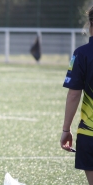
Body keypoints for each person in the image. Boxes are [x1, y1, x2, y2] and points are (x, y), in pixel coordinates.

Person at [60, 6, 93, 185]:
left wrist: (66, 130)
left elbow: (74, 94)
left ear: (90, 24)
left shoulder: (82, 54)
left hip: (90, 132)